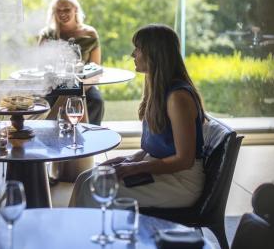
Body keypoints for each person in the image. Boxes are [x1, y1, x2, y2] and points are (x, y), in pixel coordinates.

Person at [70, 24, 205, 208]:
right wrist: (130, 159)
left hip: (181, 181)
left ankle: (91, 234)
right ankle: (81, 234)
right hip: (162, 168)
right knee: (84, 178)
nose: (133, 54)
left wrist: (136, 167)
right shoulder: (157, 89)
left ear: (154, 54)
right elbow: (160, 148)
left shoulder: (177, 98)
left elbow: (184, 160)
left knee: (94, 188)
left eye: (138, 49)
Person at [39, 0, 105, 125]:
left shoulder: (90, 34)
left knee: (96, 101)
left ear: (75, 9)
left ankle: (89, 137)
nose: (63, 13)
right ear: (53, 12)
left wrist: (78, 87)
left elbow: (95, 68)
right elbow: (40, 66)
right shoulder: (47, 34)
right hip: (53, 85)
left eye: (67, 9)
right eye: (58, 10)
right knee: (45, 102)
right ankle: (54, 138)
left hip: (84, 83)